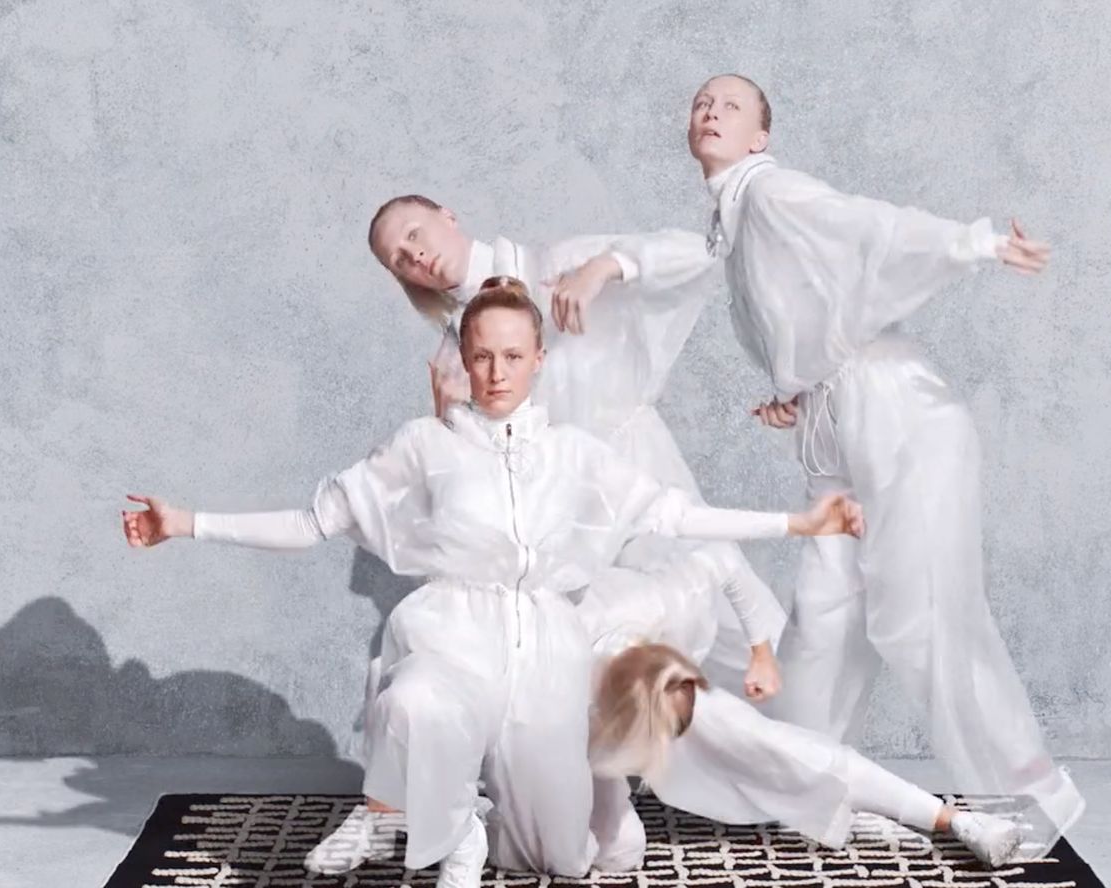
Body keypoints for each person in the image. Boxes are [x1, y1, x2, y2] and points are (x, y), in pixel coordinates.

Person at [121, 278, 864, 886]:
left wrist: (796, 525)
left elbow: (675, 514)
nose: (497, 374)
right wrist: (188, 522)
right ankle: (454, 836)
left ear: (540, 357)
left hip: (547, 652)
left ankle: (495, 817)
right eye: (482, 357)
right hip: (456, 633)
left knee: (562, 860)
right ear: (464, 364)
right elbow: (315, 521)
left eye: (512, 356)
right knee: (412, 702)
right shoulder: (424, 445)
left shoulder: (575, 453)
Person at [551, 73, 1081, 857]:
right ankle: (808, 788)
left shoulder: (769, 192)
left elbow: (864, 227)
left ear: (761, 136)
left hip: (900, 414)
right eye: (700, 103)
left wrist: (978, 243)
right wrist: (800, 395)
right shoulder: (729, 224)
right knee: (825, 621)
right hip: (837, 423)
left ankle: (1027, 796)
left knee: (922, 614)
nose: (710, 112)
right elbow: (783, 307)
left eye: (731, 105)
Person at [367, 196, 786, 697]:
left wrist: (605, 268)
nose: (415, 257)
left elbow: (700, 252)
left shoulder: (552, 265)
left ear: (448, 216)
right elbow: (475, 482)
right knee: (598, 662)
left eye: (414, 233)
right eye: (399, 259)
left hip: (640, 473)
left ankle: (792, 754)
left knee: (718, 619)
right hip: (564, 517)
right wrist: (448, 419)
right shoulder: (453, 352)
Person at [589, 642, 1025, 869]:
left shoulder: (704, 712)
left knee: (798, 760)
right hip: (598, 726)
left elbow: (719, 567)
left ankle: (957, 821)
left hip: (660, 696)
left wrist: (760, 651)